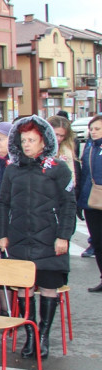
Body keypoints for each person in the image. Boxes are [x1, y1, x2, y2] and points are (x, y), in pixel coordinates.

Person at [0, 115, 75, 360]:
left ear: (44, 142)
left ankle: (43, 336)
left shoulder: (58, 168)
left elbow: (68, 205)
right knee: (24, 288)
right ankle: (30, 335)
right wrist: (1, 234)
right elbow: (3, 203)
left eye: (32, 140)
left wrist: (64, 236)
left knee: (49, 287)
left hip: (50, 239)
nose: (27, 144)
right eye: (23, 140)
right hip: (19, 237)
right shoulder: (13, 170)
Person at [77, 115, 102, 292]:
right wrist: (80, 200)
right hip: (91, 201)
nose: (93, 132)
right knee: (98, 243)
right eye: (91, 129)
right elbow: (85, 174)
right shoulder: (89, 147)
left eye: (97, 129)